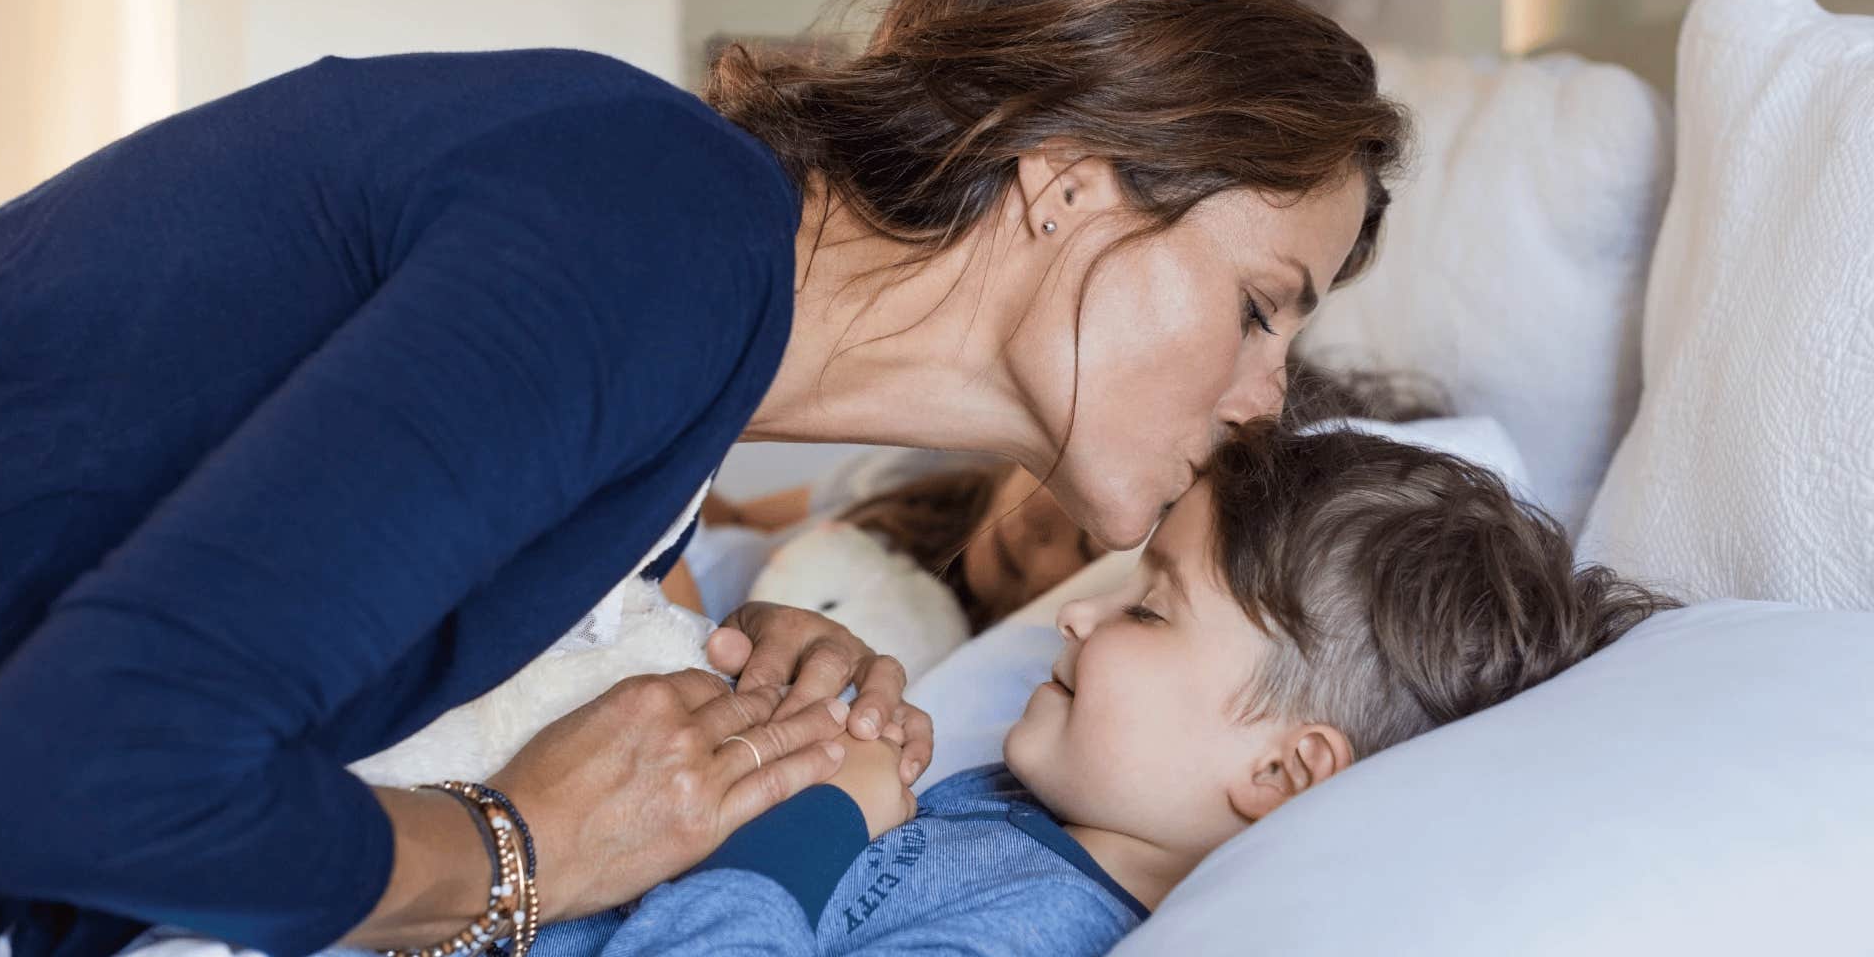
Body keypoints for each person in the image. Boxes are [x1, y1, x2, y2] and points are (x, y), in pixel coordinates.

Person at [0, 0, 1405, 957]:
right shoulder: (658, 231)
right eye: (1261, 307)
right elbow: (91, 773)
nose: (1262, 399)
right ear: (1071, 182)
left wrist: (680, 660)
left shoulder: (682, 341)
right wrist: (516, 853)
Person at [517, 425, 1681, 955]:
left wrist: (816, 821)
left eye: (1146, 609)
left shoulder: (1041, 929)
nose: (1075, 615)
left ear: (1279, 770)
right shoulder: (1022, 810)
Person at [687, 456, 1102, 630]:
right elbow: (744, 518)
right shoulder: (932, 467)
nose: (1037, 517)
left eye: (1085, 544)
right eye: (1062, 479)